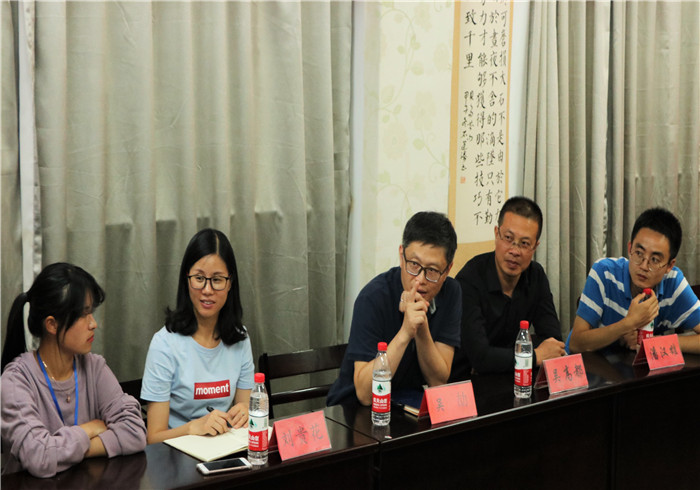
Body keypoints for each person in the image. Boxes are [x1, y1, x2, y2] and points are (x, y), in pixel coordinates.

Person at [0, 263, 147, 478]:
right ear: (52, 324)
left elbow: (135, 432)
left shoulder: (94, 367)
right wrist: (90, 429)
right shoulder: (16, 380)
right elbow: (40, 456)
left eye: (91, 313)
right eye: (84, 314)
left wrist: (69, 451)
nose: (93, 323)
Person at [327, 211, 461, 407]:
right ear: (401, 255)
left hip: (404, 404)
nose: (420, 279)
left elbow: (438, 381)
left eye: (432, 270)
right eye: (414, 264)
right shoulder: (372, 298)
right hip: (354, 409)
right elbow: (365, 394)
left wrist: (421, 326)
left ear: (447, 270)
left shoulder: (451, 292)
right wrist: (406, 331)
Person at [141, 229, 255, 444]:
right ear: (187, 279)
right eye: (199, 278)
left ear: (230, 283)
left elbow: (244, 408)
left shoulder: (241, 338)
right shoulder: (164, 344)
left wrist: (243, 411)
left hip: (225, 450)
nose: (207, 290)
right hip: (177, 456)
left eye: (217, 280)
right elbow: (153, 437)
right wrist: (193, 428)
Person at [450, 196, 565, 380]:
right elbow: (480, 358)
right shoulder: (470, 279)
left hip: (516, 380)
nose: (514, 251)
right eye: (509, 238)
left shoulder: (536, 276)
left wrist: (500, 359)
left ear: (535, 247)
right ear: (497, 234)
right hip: (469, 385)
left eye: (524, 243)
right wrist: (534, 356)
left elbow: (553, 342)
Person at [568, 207, 700, 354]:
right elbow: (575, 343)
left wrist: (655, 342)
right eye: (639, 253)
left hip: (630, 366)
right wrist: (628, 323)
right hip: (592, 365)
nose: (643, 266)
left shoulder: (674, 283)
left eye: (654, 260)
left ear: (669, 265)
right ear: (630, 248)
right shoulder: (604, 273)